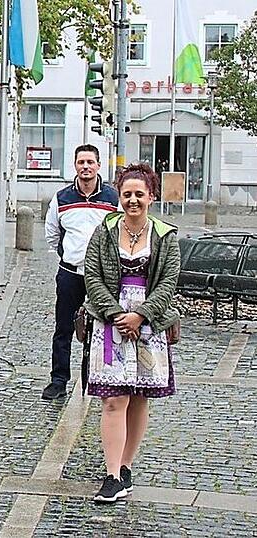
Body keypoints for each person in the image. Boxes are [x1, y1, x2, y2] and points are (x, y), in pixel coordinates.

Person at [83, 163, 180, 504]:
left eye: (140, 194)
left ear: (151, 197)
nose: (133, 200)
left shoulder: (165, 236)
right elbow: (91, 275)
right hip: (110, 323)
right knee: (113, 398)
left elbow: (169, 282)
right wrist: (115, 314)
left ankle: (125, 466)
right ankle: (110, 476)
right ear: (119, 196)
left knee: (138, 397)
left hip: (148, 323)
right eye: (127, 194)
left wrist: (141, 315)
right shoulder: (104, 231)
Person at [41, 144, 119, 400]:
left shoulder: (112, 198)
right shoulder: (62, 198)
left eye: (90, 162)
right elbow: (52, 234)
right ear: (75, 165)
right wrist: (67, 255)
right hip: (70, 273)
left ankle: (104, 377)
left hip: (102, 275)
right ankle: (58, 380)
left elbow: (119, 233)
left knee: (106, 326)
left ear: (98, 165)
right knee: (63, 327)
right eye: (81, 162)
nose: (85, 167)